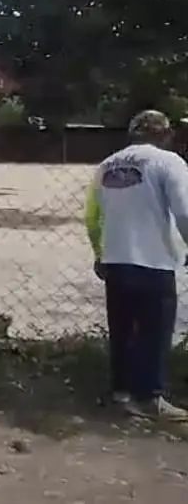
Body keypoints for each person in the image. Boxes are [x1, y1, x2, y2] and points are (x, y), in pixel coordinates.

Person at [84, 109, 188, 420]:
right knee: (155, 332)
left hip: (115, 260)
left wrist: (99, 253)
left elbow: (92, 215)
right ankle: (150, 397)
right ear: (165, 134)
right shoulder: (169, 162)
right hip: (154, 260)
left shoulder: (106, 165)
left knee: (123, 331)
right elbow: (184, 211)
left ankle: (121, 395)